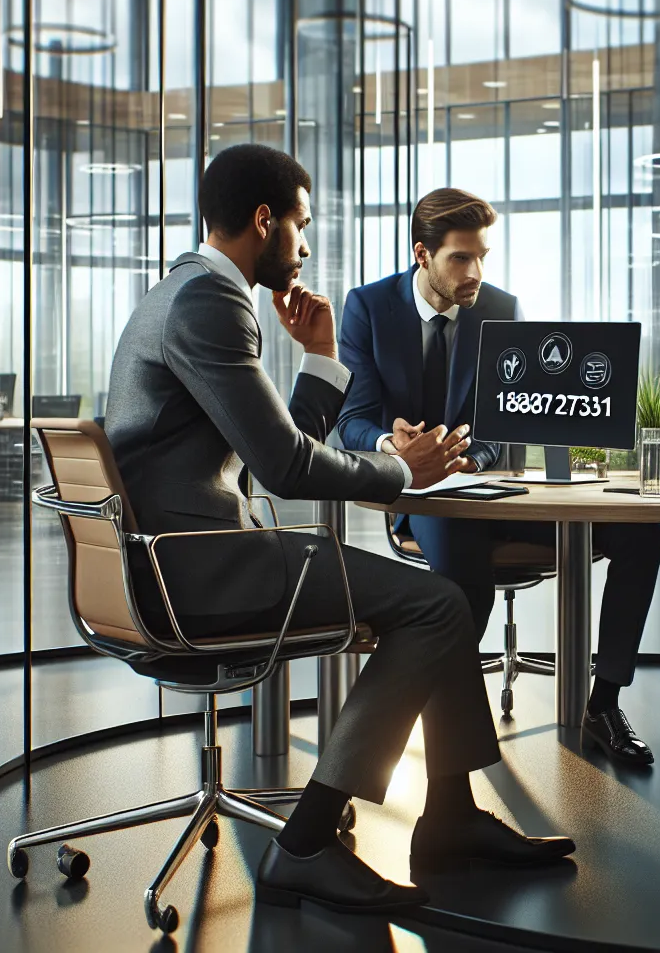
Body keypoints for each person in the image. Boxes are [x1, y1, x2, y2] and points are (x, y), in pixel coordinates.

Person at [105, 145, 574, 913]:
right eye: (301, 224)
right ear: (266, 221)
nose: (306, 244)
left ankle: (448, 819)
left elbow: (265, 454)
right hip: (196, 570)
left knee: (442, 599)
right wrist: (403, 473)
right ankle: (310, 841)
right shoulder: (209, 305)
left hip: (175, 557)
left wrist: (321, 359)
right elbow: (287, 469)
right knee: (440, 605)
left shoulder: (181, 292)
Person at [337, 188, 660, 767]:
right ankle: (398, 753)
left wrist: (476, 458)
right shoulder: (368, 307)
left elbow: (506, 421)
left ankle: (604, 702)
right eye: (461, 258)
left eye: (483, 255)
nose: (475, 272)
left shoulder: (500, 306)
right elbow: (352, 419)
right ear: (423, 255)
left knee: (643, 533)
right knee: (468, 582)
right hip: (424, 495)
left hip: (488, 485)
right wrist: (395, 447)